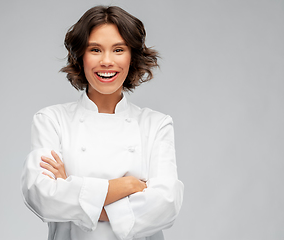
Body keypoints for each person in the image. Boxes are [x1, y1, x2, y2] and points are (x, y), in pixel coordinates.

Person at [21, 5, 184, 240]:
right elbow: (41, 196)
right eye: (95, 49)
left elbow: (166, 205)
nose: (107, 61)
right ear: (80, 56)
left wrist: (71, 187)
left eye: (118, 50)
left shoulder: (156, 125)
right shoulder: (51, 120)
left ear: (132, 56)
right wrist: (126, 186)